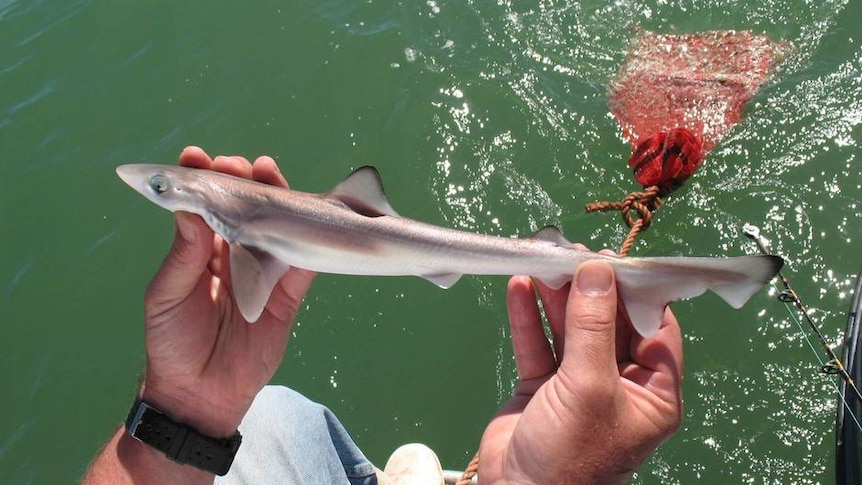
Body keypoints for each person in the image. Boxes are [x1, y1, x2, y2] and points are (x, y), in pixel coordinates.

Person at [82, 146, 683, 485]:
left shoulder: (243, 235)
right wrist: (187, 403)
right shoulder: (242, 236)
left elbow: (250, 286)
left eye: (164, 190)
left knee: (270, 413)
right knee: (273, 412)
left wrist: (183, 406)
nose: (155, 192)